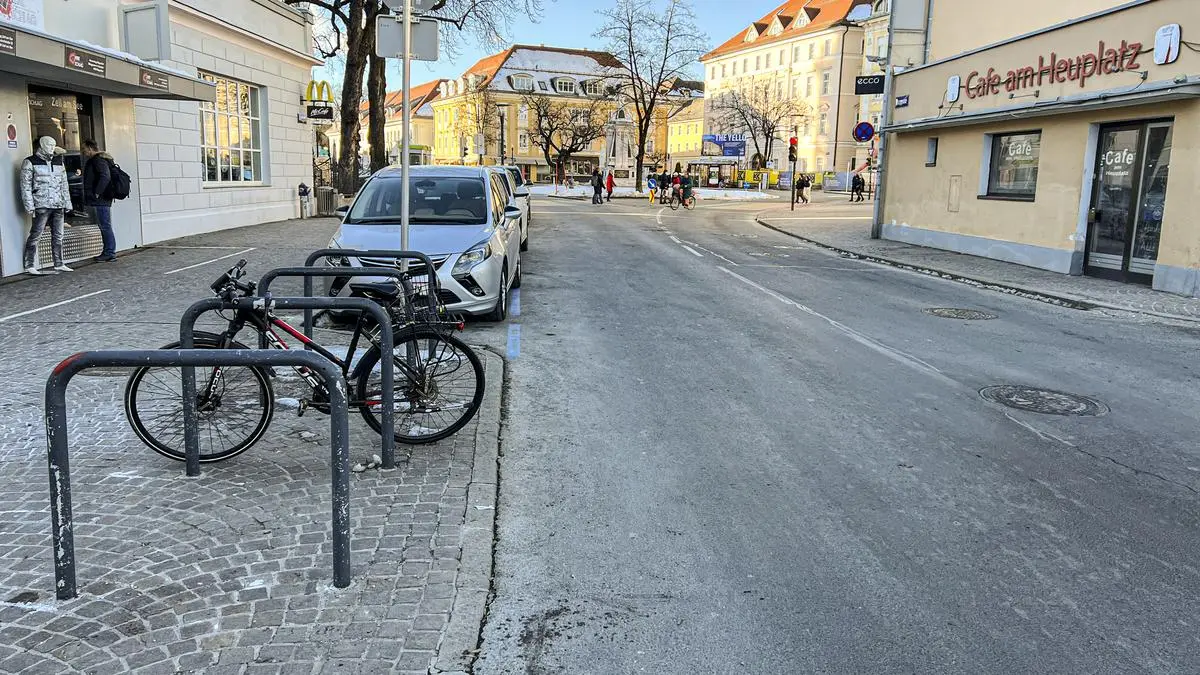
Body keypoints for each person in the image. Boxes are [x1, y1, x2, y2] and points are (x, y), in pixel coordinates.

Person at [19, 136, 73, 274]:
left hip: (58, 203)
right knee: (36, 234)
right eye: (48, 144)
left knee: (58, 235)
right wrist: (30, 206)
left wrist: (67, 202)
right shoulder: (30, 162)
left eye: (53, 144)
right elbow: (25, 186)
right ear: (42, 145)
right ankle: (29, 264)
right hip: (41, 203)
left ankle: (59, 263)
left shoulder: (58, 161)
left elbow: (64, 184)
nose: (51, 147)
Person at [82, 139, 117, 261]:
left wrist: (97, 192)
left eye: (85, 149)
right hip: (102, 198)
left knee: (105, 225)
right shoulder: (100, 159)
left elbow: (105, 176)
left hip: (101, 199)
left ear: (91, 148)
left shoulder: (98, 160)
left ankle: (109, 252)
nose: (83, 152)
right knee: (104, 225)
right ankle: (108, 251)